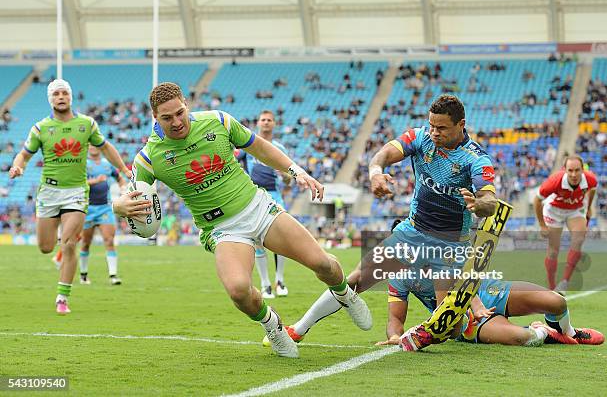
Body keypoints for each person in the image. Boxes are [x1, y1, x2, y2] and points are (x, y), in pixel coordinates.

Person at [111, 82, 371, 358]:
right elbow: (136, 198)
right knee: (238, 290)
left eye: (180, 113)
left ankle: (345, 294)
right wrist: (119, 206)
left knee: (322, 263)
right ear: (155, 117)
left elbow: (260, 148)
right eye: (167, 118)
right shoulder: (149, 157)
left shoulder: (218, 121)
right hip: (222, 229)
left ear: (186, 104)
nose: (176, 122)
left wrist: (297, 172)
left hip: (257, 208)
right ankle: (273, 327)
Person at [278, 95, 499, 351]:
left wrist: (479, 204)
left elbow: (490, 202)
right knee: (356, 278)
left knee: (448, 325)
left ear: (461, 124)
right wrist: (375, 174)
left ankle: (475, 318)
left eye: (441, 128)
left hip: (450, 244)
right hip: (412, 231)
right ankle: (298, 329)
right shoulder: (420, 138)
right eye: (431, 125)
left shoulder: (476, 159)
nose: (434, 132)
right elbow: (381, 155)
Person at [9, 79, 130, 315]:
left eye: (65, 93)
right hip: (49, 193)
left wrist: (124, 169)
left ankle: (62, 297)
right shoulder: (40, 128)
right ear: (50, 99)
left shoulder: (87, 124)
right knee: (45, 247)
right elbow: (23, 155)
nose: (61, 97)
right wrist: (18, 167)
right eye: (56, 94)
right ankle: (59, 257)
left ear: (70, 97)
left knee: (70, 242)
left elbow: (106, 148)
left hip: (76, 192)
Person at [377, 272, 604, 347]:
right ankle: (543, 332)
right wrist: (396, 336)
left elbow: (464, 278)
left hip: (489, 291)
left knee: (556, 302)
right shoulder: (398, 277)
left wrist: (477, 303)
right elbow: (395, 318)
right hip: (465, 318)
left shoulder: (441, 248)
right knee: (522, 337)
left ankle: (571, 333)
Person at [533, 155, 597, 294]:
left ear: (582, 170)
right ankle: (551, 287)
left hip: (575, 210)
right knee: (554, 250)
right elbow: (537, 201)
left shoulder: (590, 179)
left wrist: (589, 207)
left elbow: (592, 190)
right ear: (565, 170)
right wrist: (542, 225)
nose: (574, 174)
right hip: (554, 211)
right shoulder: (554, 181)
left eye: (577, 170)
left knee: (579, 239)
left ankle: (564, 283)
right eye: (570, 170)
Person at [248, 110, 292, 298]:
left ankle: (280, 280)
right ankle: (265, 284)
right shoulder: (247, 145)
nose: (266, 123)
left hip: (275, 196)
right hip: (254, 197)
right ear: (258, 123)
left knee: (281, 238)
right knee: (257, 240)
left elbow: (290, 179)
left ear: (274, 124)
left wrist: (284, 175)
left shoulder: (279, 148)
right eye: (263, 119)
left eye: (269, 120)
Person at [79, 145, 126, 285]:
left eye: (95, 145)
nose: (93, 147)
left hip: (104, 208)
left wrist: (123, 188)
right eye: (90, 145)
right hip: (88, 208)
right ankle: (83, 275)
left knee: (109, 240)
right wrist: (95, 181)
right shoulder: (83, 164)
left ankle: (113, 276)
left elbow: (119, 178)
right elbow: (78, 183)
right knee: (86, 243)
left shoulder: (107, 165)